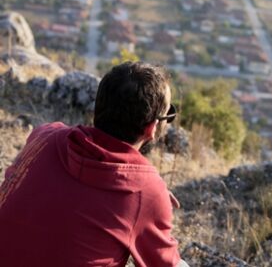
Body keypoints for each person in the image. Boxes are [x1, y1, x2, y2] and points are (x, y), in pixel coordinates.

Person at [0, 62, 188, 266]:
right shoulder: (145, 192)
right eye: (168, 114)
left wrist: (148, 192)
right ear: (151, 128)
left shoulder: (45, 135)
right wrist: (150, 196)